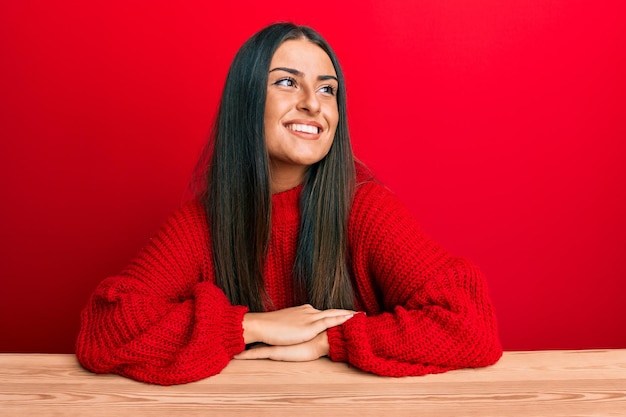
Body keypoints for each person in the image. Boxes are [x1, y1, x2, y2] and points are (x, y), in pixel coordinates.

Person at [76, 22, 502, 385]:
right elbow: (105, 328)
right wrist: (250, 326)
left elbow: (470, 325)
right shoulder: (202, 225)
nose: (313, 104)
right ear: (246, 103)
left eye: (327, 89)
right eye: (286, 81)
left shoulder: (365, 210)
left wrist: (328, 340)